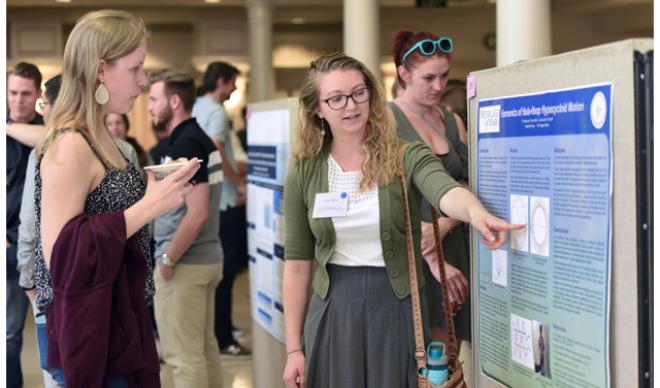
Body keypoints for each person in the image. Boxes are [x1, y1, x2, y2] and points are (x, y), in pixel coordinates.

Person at [281, 52, 521, 388]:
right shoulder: (305, 172)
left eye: (358, 93)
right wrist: (294, 349)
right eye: (336, 99)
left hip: (396, 304)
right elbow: (296, 265)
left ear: (372, 95)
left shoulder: (405, 155)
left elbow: (444, 191)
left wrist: (476, 212)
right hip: (334, 308)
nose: (351, 106)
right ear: (317, 109)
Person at [35, 10, 200, 387]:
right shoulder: (71, 145)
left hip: (119, 323)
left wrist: (155, 187)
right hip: (92, 331)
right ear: (101, 70)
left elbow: (106, 205)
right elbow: (62, 256)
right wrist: (150, 205)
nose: (143, 81)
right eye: (136, 68)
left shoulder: (104, 140)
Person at [390, 30, 472, 351]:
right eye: (428, 78)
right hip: (410, 253)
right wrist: (428, 249)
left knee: (448, 356)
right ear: (403, 74)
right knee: (416, 355)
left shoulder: (451, 121)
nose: (439, 86)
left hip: (452, 248)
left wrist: (445, 226)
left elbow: (469, 183)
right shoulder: (386, 121)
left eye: (444, 76)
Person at [148, 69, 224, 388]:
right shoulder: (195, 138)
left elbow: (197, 213)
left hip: (185, 265)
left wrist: (168, 259)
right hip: (203, 260)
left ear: (175, 101)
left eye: (154, 99)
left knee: (183, 358)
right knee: (203, 352)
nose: (149, 106)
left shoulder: (188, 143)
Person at [192, 61, 251, 356]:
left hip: (205, 196)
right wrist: (237, 181)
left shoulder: (197, 106)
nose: (234, 91)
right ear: (222, 82)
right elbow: (215, 148)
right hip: (224, 200)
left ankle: (218, 331)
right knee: (225, 273)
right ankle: (224, 337)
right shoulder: (215, 110)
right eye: (232, 84)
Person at [7, 60, 43, 388]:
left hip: (36, 247)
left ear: (38, 95)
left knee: (17, 333)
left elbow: (47, 137)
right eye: (13, 93)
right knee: (8, 336)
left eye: (25, 94)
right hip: (7, 244)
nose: (18, 100)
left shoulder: (50, 130)